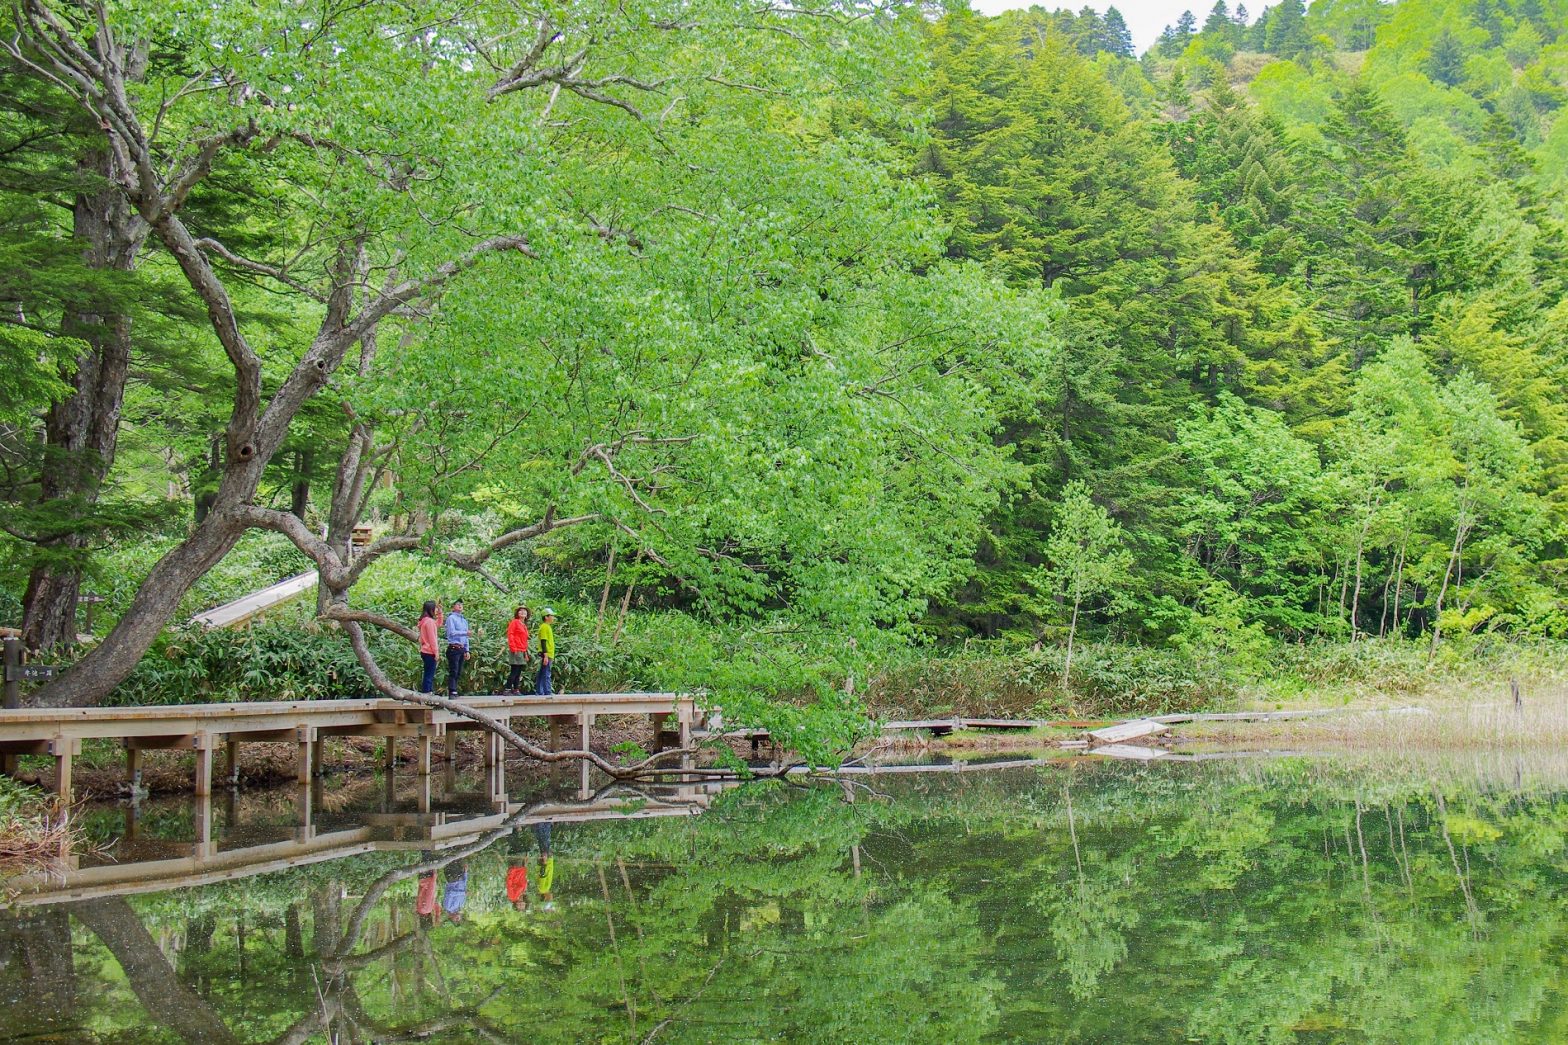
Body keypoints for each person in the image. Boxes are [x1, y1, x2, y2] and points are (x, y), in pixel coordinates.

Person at [444, 599, 470, 697]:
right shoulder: (451, 618)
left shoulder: (464, 620)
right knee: (453, 670)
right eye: (457, 604)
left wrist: (467, 650)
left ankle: (455, 690)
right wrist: (465, 633)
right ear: (453, 607)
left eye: (461, 605)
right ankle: (452, 691)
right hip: (453, 647)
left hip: (462, 648)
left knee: (459, 671)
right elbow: (451, 632)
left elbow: (466, 637)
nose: (460, 606)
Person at [503, 606, 531, 695]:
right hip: (516, 649)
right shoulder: (515, 622)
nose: (523, 612)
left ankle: (516, 689)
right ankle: (507, 689)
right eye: (520, 611)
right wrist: (513, 648)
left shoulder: (524, 625)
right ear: (517, 613)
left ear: (527, 615)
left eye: (524, 611)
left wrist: (526, 652)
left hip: (522, 650)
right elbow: (510, 635)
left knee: (519, 672)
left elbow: (525, 640)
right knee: (514, 670)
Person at [417, 600, 443, 694]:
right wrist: (436, 652)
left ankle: (428, 692)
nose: (436, 610)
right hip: (429, 651)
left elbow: (439, 624)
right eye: (435, 608)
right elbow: (432, 639)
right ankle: (427, 693)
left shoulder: (424, 621)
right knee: (429, 674)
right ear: (430, 609)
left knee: (428, 673)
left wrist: (440, 613)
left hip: (424, 650)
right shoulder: (430, 622)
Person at [535, 608, 557, 696]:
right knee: (546, 673)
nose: (553, 618)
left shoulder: (547, 627)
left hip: (548, 653)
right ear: (546, 617)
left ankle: (539, 691)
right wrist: (546, 655)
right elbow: (543, 641)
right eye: (552, 616)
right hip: (546, 653)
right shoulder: (544, 627)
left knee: (542, 672)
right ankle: (547, 691)